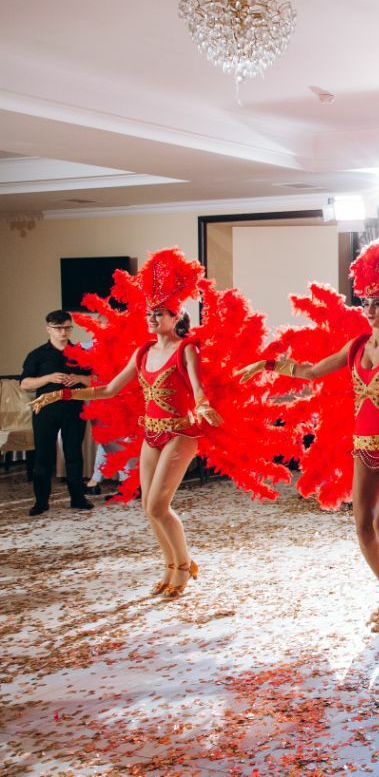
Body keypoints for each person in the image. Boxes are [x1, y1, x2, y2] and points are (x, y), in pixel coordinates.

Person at [238, 233, 379, 632]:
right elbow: (310, 371)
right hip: (363, 445)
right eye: (366, 302)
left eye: (377, 303)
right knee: (362, 526)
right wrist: (268, 364)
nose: (369, 309)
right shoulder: (356, 346)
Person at [31, 251, 224, 598]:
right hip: (151, 433)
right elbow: (108, 389)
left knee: (158, 505)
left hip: (181, 433)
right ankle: (170, 565)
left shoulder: (186, 349)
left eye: (159, 313)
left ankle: (184, 565)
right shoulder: (143, 352)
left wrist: (204, 405)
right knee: (148, 507)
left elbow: (198, 389)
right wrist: (59, 394)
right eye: (149, 313)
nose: (152, 318)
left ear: (175, 316)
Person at [20, 310, 94, 515]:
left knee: (74, 455)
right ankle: (41, 502)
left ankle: (78, 498)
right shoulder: (37, 355)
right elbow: (24, 383)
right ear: (48, 329)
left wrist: (79, 379)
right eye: (58, 328)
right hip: (45, 411)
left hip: (74, 410)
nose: (63, 332)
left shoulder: (82, 354)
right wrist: (49, 378)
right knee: (43, 456)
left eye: (67, 328)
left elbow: (96, 381)